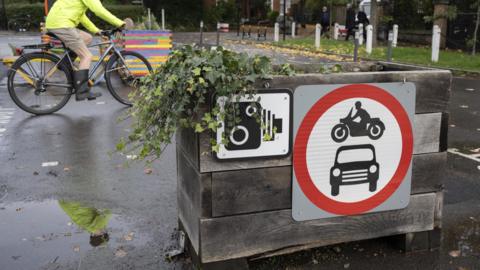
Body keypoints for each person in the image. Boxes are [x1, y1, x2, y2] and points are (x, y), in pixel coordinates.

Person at [45, 0, 125, 101]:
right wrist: (120, 23)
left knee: (87, 38)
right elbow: (99, 10)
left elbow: (81, 16)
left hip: (57, 23)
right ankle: (82, 91)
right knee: (86, 56)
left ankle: (65, 63)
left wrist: (96, 31)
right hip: (62, 25)